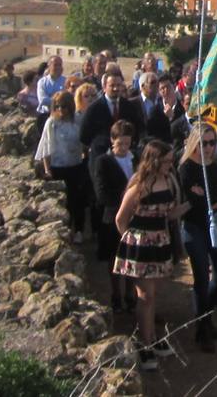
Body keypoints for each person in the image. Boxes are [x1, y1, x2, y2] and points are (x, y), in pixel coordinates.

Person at [114, 138, 185, 372]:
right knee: (145, 295)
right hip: (141, 245)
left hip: (160, 242)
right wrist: (131, 243)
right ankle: (144, 344)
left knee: (154, 295)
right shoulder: (139, 186)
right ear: (154, 161)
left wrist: (193, 203)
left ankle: (152, 336)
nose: (169, 165)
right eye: (165, 161)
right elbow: (121, 219)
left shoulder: (169, 181)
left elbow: (171, 213)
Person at [178, 122, 217, 352]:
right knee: (201, 276)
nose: (208, 147)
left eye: (212, 142)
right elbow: (190, 203)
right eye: (203, 143)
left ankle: (205, 316)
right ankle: (203, 328)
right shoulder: (185, 168)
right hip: (194, 228)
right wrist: (215, 198)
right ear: (194, 143)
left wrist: (216, 200)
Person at [92, 119, 137, 312]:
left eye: (127, 143)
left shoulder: (135, 159)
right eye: (121, 144)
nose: (124, 147)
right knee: (115, 259)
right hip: (113, 217)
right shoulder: (104, 161)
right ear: (112, 140)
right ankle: (116, 295)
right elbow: (101, 193)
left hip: (135, 216)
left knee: (132, 258)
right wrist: (125, 200)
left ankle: (129, 294)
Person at [34, 90, 89, 243]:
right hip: (58, 167)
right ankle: (65, 232)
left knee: (77, 200)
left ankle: (78, 230)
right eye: (57, 106)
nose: (60, 110)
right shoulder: (52, 123)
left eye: (64, 106)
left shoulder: (77, 120)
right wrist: (47, 169)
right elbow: (46, 147)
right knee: (63, 202)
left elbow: (84, 141)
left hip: (75, 165)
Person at [81, 71, 146, 160]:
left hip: (125, 156)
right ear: (104, 87)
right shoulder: (94, 109)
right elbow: (84, 136)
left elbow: (139, 128)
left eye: (119, 85)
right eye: (112, 85)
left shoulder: (129, 106)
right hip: (101, 157)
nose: (116, 88)